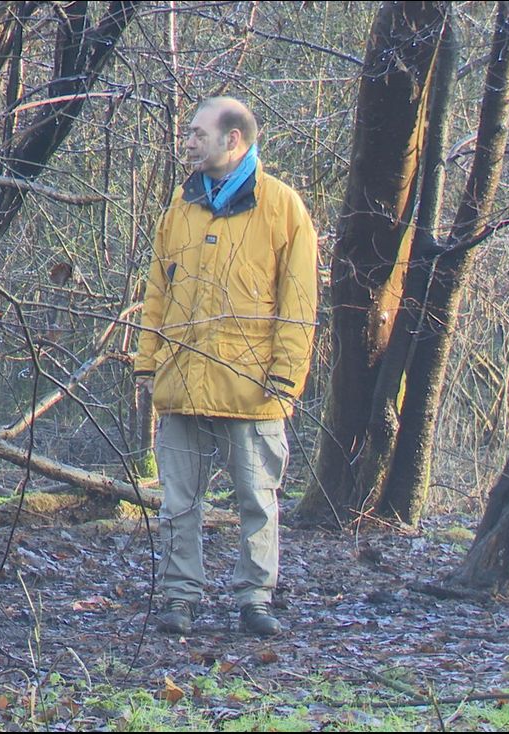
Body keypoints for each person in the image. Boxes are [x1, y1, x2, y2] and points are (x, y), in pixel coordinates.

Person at [132, 97, 318, 637]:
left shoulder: (282, 207)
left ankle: (255, 599)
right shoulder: (180, 204)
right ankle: (178, 597)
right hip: (182, 377)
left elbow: (299, 301)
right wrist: (149, 363)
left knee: (258, 499)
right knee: (177, 501)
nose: (187, 141)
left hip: (254, 383)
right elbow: (157, 291)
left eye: (197, 133)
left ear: (232, 140)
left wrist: (286, 377)